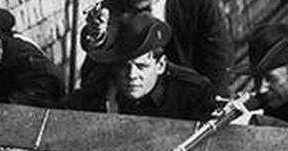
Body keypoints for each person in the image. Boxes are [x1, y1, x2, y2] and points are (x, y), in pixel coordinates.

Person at [82, 0, 232, 94]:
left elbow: (217, 60)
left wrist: (213, 103)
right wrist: (98, 34)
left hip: (189, 90)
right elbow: (104, 33)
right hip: (140, 92)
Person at [67, 12, 217, 121]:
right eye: (124, 67)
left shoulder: (193, 94)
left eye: (142, 66)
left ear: (160, 65)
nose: (132, 75)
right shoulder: (99, 89)